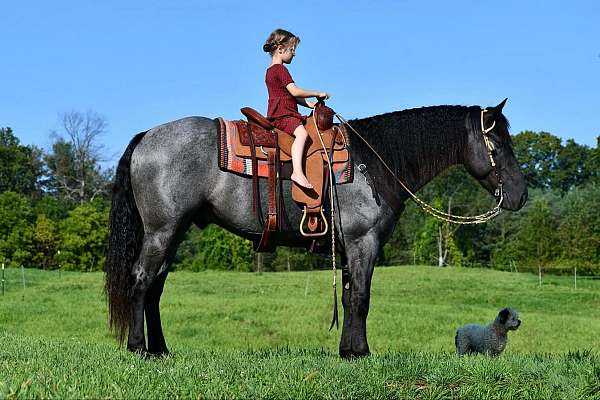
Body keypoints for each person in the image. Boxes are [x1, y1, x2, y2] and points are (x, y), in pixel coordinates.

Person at [263, 29, 330, 189]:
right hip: (283, 115)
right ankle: (298, 172)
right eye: (292, 50)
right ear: (280, 49)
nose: (294, 54)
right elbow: (294, 91)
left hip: (282, 113)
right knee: (302, 134)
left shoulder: (270, 71)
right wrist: (317, 93)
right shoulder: (280, 69)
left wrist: (311, 105)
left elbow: (292, 97)